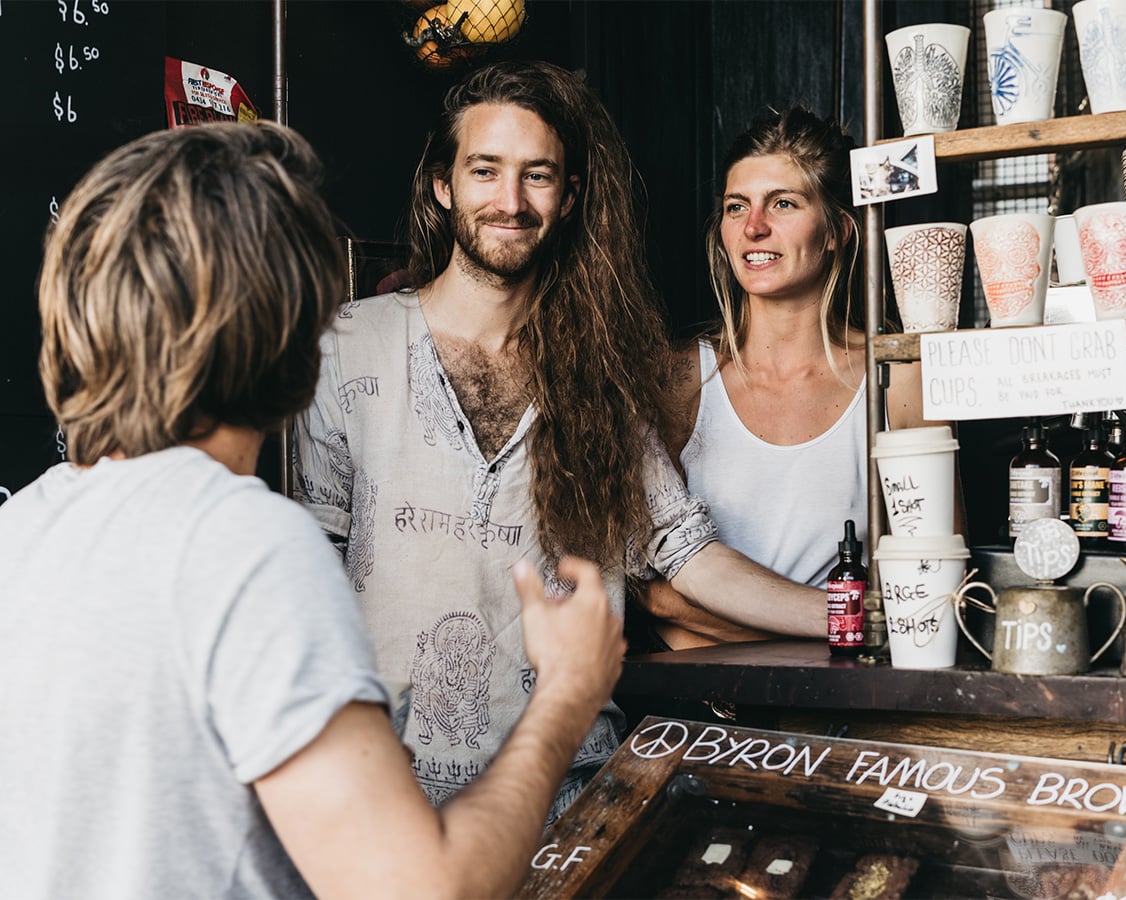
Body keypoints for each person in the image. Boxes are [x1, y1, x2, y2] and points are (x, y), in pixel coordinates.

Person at [0, 120, 627, 900]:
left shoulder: (18, 530)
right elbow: (423, 891)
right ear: (291, 335)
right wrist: (569, 691)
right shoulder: (242, 542)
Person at [292, 61, 832, 819]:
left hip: (560, 797)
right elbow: (305, 569)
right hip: (383, 801)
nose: (509, 202)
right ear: (443, 185)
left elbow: (688, 553)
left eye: (537, 175)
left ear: (570, 197)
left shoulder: (597, 377)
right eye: (485, 170)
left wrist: (853, 616)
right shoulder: (345, 346)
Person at [640, 105, 950, 650]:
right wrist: (848, 622)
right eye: (737, 206)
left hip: (839, 704)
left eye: (783, 203)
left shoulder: (898, 379)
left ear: (837, 231)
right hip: (699, 712)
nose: (754, 226)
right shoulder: (680, 379)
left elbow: (935, 580)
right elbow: (652, 592)